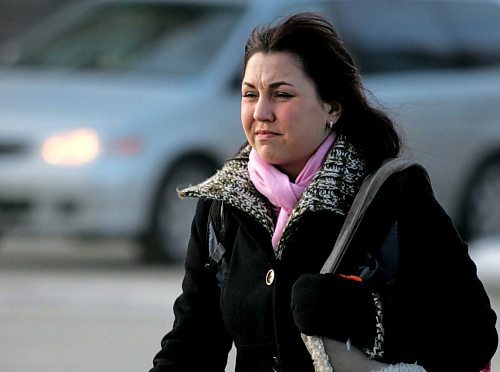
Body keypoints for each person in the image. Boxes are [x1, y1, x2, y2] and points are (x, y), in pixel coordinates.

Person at [149, 12, 497, 372]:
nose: (261, 112)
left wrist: (360, 314)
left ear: (332, 106)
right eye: (249, 94)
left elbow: (474, 333)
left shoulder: (391, 194)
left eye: (282, 94)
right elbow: (192, 344)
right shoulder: (223, 206)